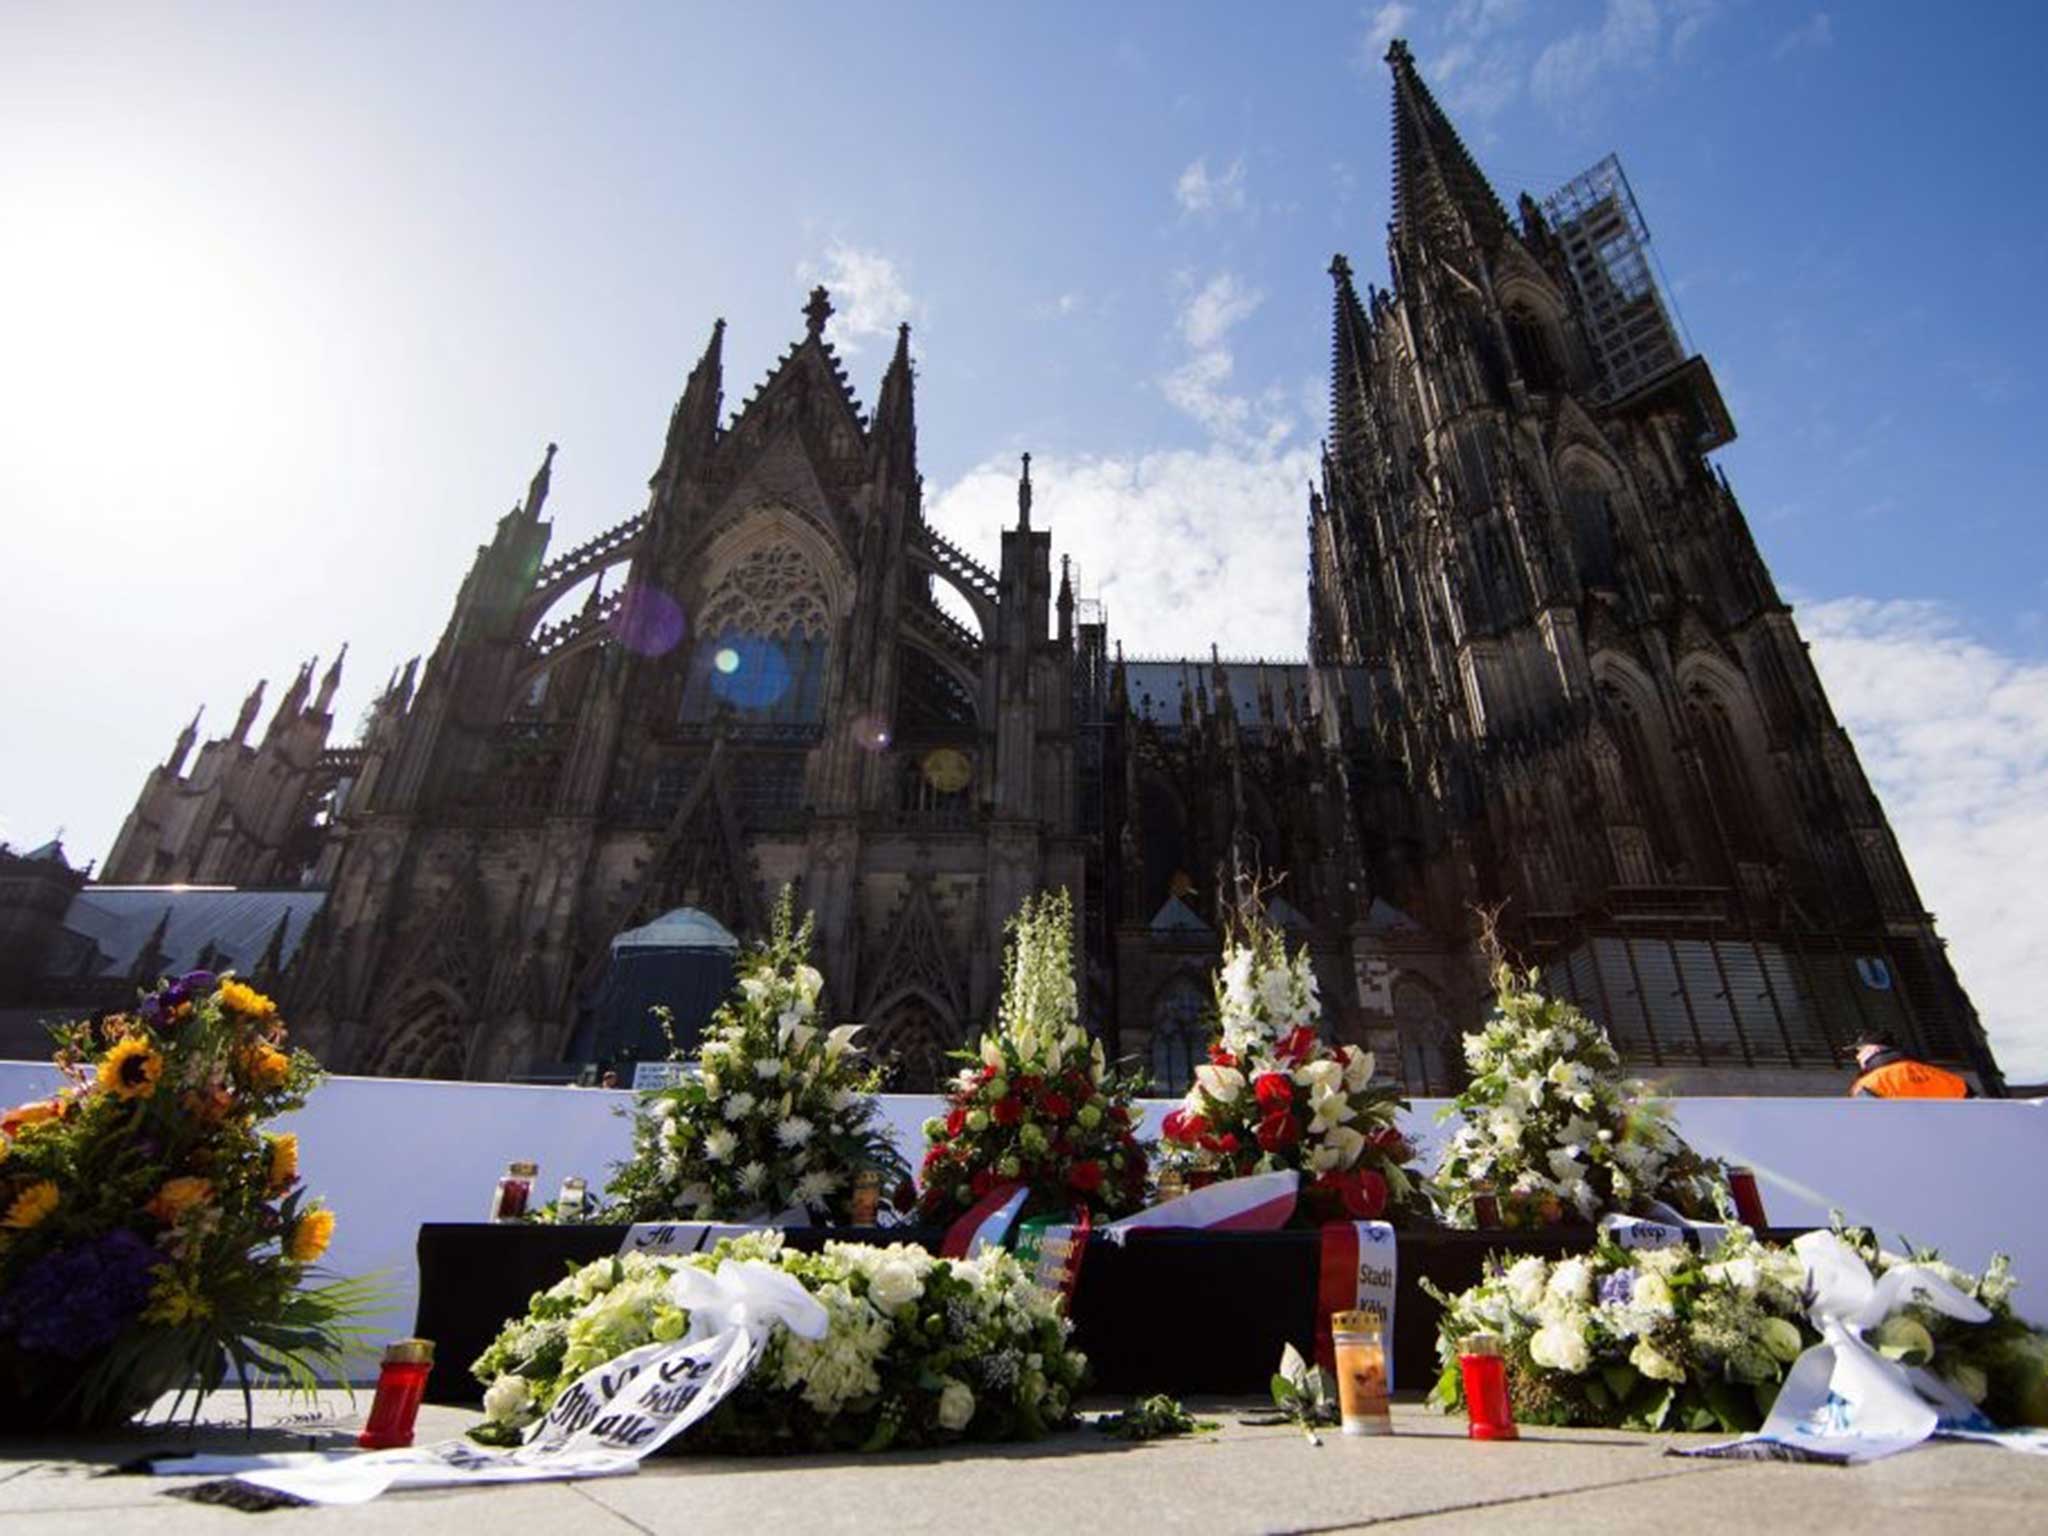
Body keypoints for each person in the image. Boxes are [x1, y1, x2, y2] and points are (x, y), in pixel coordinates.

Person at [1848, 1032, 1973, 1098]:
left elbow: (1869, 1127)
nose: (1857, 1057)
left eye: (1860, 1051)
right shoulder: (1950, 1079)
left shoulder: (1868, 1085)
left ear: (1874, 1050)